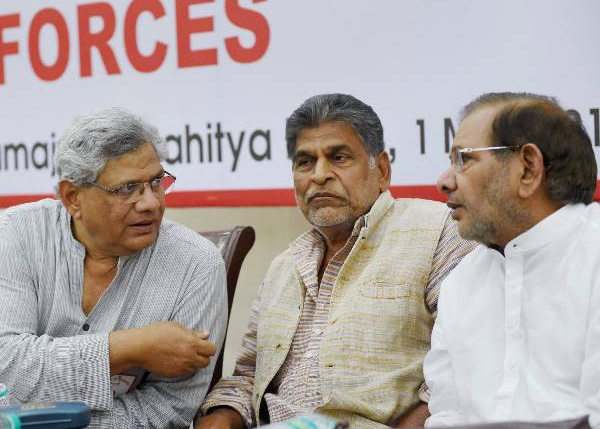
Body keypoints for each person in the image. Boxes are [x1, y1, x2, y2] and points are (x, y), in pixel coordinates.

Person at [197, 93, 476, 428]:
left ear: (382, 170)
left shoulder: (438, 231)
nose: (319, 175)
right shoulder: (284, 265)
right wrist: (222, 416)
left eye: (339, 157)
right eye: (305, 162)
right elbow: (247, 376)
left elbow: (461, 370)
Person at [0, 108, 228, 428]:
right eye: (127, 188)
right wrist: (128, 347)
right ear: (72, 198)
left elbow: (170, 409)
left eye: (157, 182)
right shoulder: (16, 234)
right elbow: (7, 369)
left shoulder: (197, 265)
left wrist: (53, 421)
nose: (150, 203)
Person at [425, 92, 600, 427]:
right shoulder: (461, 281)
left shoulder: (594, 254)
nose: (443, 181)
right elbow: (447, 416)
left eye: (464, 159)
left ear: (528, 169)